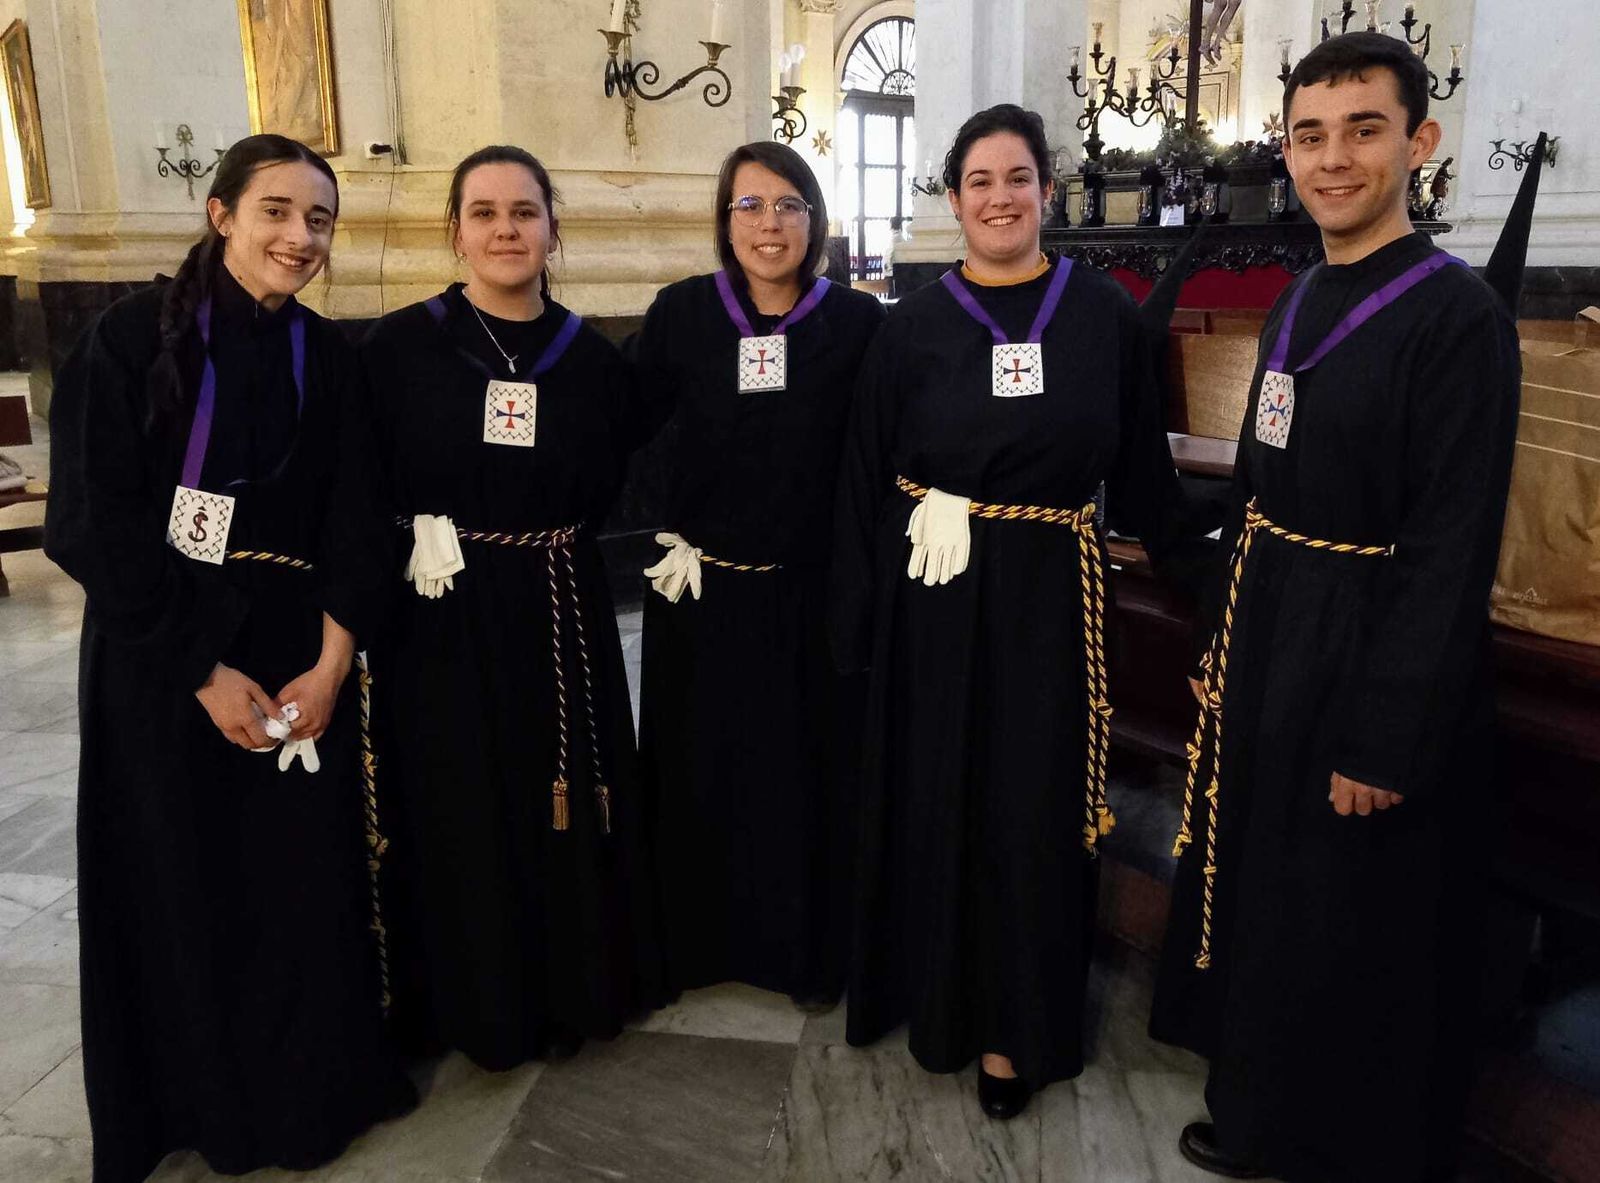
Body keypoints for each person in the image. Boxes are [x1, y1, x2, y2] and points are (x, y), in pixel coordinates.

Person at [1148, 33, 1521, 1183]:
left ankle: (1349, 1147)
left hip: (1369, 651)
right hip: (1274, 630)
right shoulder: (1299, 297)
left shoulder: (1456, 317)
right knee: (1272, 888)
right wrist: (1222, 635)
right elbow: (1257, 489)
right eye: (1309, 134)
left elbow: (1452, 546)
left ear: (1419, 142)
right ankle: (1265, 1113)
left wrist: (1385, 732)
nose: (1332, 157)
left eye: (1363, 129)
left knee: (1356, 911)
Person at [44, 135, 414, 1182]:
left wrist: (334, 661)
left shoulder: (330, 357)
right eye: (278, 212)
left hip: (298, 653)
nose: (300, 238)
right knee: (179, 877)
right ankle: (198, 1102)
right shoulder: (123, 344)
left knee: (299, 884)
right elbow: (90, 521)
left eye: (320, 221)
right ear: (221, 216)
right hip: (161, 657)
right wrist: (202, 668)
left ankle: (307, 1096)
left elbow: (358, 516)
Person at [832, 104, 1194, 1119]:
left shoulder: (1106, 318)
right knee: (940, 795)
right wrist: (855, 626)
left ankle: (1014, 1031)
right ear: (953, 200)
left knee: (1035, 813)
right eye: (979, 181)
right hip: (934, 597)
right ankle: (937, 1001)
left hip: (1052, 602)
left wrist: (1210, 594)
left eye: (1018, 177)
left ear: (1047, 191)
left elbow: (1147, 483)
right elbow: (864, 483)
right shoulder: (908, 328)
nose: (999, 197)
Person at [361, 146, 662, 1070]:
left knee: (561, 801)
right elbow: (363, 482)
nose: (504, 229)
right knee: (458, 800)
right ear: (453, 230)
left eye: (524, 212)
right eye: (484, 212)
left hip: (557, 606)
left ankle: (565, 990)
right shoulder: (399, 347)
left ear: (552, 230)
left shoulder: (592, 359)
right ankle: (470, 1003)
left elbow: (611, 478)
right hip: (441, 613)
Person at [631, 142, 885, 1008]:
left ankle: (806, 954)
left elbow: (883, 456)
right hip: (701, 593)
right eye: (749, 205)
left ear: (814, 219)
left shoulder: (856, 325)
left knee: (804, 777)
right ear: (724, 220)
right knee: (702, 771)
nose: (768, 223)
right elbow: (622, 431)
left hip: (809, 592)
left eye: (788, 204)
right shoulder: (680, 315)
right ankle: (694, 946)